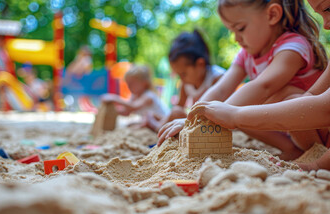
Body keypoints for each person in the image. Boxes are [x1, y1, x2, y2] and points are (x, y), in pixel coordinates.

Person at [158, 0, 328, 161]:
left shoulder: (293, 46)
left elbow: (265, 86)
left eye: (240, 28)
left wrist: (218, 114)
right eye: (232, 31)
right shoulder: (247, 55)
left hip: (315, 127)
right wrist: (194, 117)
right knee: (237, 108)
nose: (236, 38)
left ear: (272, 15)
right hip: (285, 125)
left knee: (278, 97)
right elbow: (221, 89)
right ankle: (291, 148)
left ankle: (313, 151)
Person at [145, 30, 226, 132]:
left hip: (215, 122)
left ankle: (156, 126)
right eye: (178, 75)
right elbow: (179, 107)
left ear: (200, 64)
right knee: (175, 112)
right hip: (198, 121)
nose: (181, 79)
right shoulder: (186, 83)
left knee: (176, 113)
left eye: (183, 74)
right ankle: (157, 121)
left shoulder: (217, 78)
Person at [101, 65, 169, 126]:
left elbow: (134, 106)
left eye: (132, 84)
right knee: (130, 125)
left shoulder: (149, 96)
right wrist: (109, 111)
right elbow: (126, 112)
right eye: (128, 84)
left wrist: (113, 98)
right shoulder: (134, 96)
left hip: (164, 121)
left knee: (136, 124)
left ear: (144, 83)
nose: (129, 87)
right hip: (150, 120)